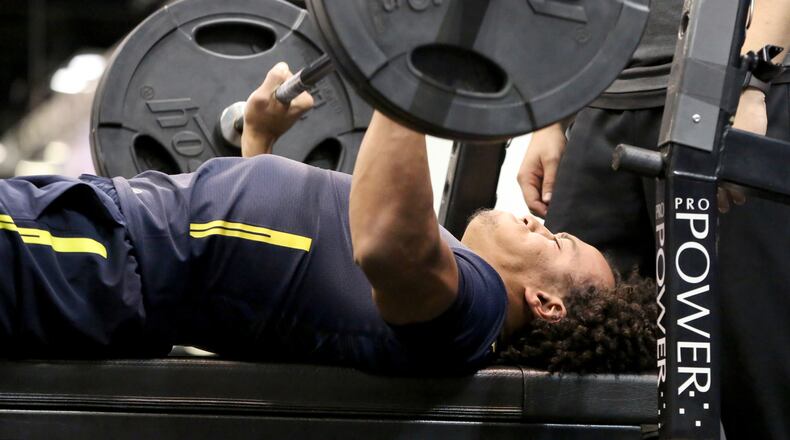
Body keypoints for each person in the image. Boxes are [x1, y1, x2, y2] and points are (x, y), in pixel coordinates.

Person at [0, 64, 655, 375]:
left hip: (109, 258)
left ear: (545, 304)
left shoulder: (474, 310)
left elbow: (385, 244)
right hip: (107, 243)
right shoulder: (455, 285)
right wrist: (260, 142)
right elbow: (282, 278)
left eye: (557, 240)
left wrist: (413, 72)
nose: (540, 224)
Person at [517, 0, 790, 437]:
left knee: (760, 383)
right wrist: (551, 112)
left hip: (733, 83)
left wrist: (752, 83)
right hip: (605, 98)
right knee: (566, 364)